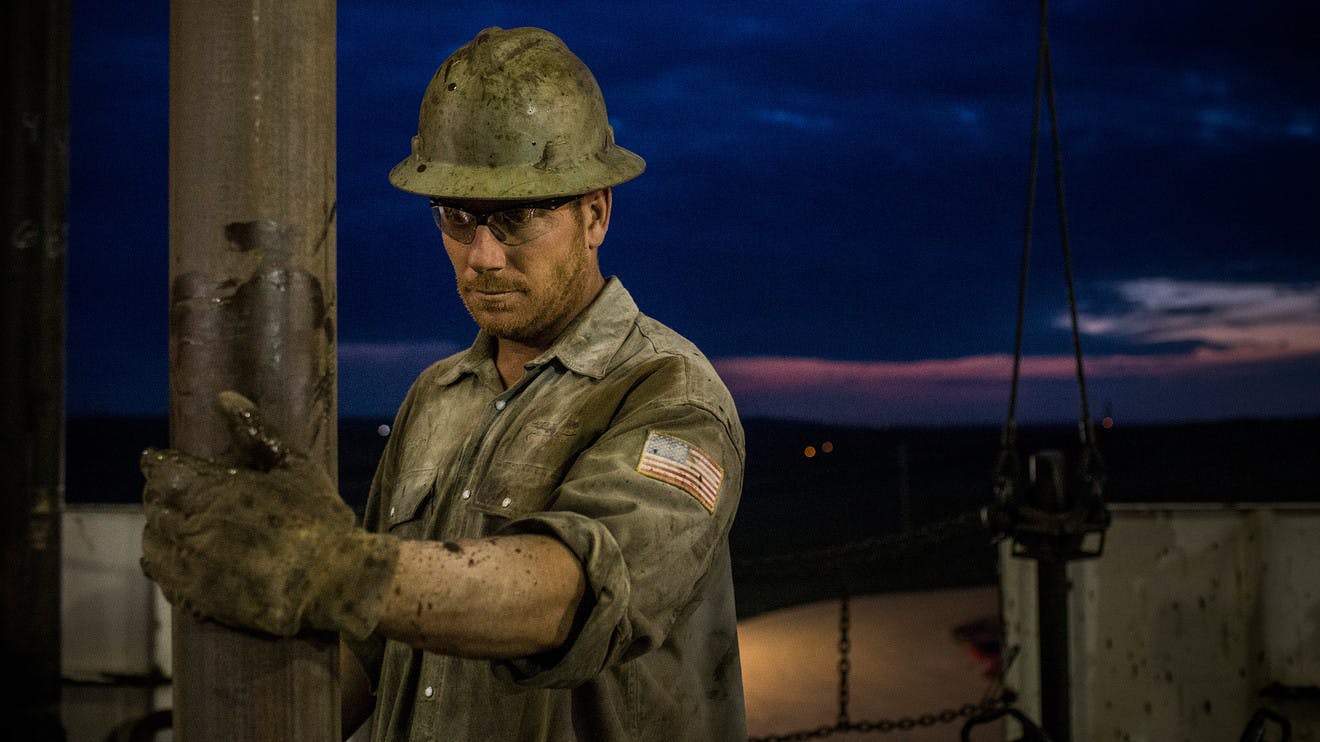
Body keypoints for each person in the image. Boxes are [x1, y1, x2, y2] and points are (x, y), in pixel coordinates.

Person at [139, 26, 747, 741]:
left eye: (515, 218)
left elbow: (572, 596)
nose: (481, 256)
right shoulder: (437, 395)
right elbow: (371, 650)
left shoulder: (668, 393)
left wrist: (336, 568)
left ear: (595, 213)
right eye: (457, 217)